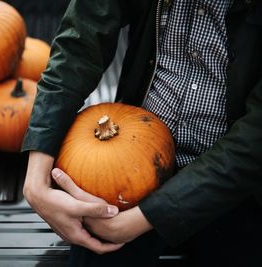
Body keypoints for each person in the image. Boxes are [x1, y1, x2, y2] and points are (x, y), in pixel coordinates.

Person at [21, 0, 262, 266]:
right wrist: (37, 176)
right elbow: (80, 39)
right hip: (131, 164)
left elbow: (255, 139)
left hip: (237, 180)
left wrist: (144, 218)